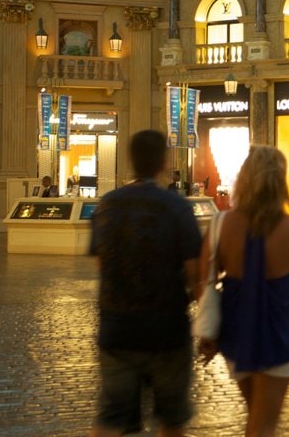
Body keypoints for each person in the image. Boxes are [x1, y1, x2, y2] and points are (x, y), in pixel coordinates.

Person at [88, 130, 201, 437]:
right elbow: (195, 273)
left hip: (116, 328)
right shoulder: (177, 208)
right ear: (164, 162)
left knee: (111, 417)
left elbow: (101, 263)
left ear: (132, 161)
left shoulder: (107, 205)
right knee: (171, 418)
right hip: (166, 330)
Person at [196, 145, 289, 437]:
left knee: (256, 414)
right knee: (264, 422)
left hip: (237, 329)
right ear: (280, 181)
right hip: (280, 331)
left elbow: (203, 281)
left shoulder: (221, 224)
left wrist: (210, 329)